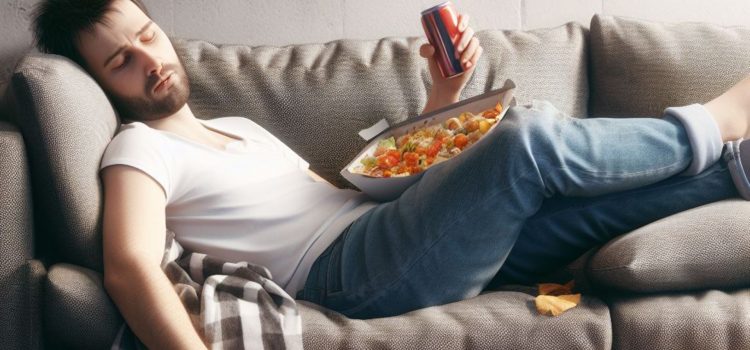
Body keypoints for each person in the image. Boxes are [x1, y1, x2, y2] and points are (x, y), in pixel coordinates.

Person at [31, 0, 750, 348]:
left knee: (587, 212)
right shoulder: (136, 150)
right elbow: (128, 267)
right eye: (119, 60)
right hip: (354, 275)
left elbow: (349, 192)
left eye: (147, 36)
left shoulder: (239, 129)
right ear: (100, 83)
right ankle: (720, 118)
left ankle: (735, 166)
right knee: (526, 136)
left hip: (390, 235)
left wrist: (442, 96)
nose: (150, 60)